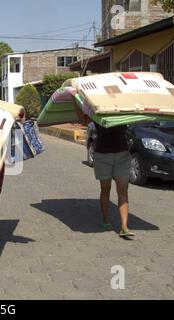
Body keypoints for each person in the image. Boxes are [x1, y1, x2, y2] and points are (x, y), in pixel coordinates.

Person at [72, 99, 135, 239]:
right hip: (102, 156)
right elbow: (83, 120)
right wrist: (74, 100)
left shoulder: (124, 107)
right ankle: (106, 220)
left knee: (123, 188)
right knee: (105, 188)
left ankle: (124, 226)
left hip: (122, 155)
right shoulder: (96, 110)